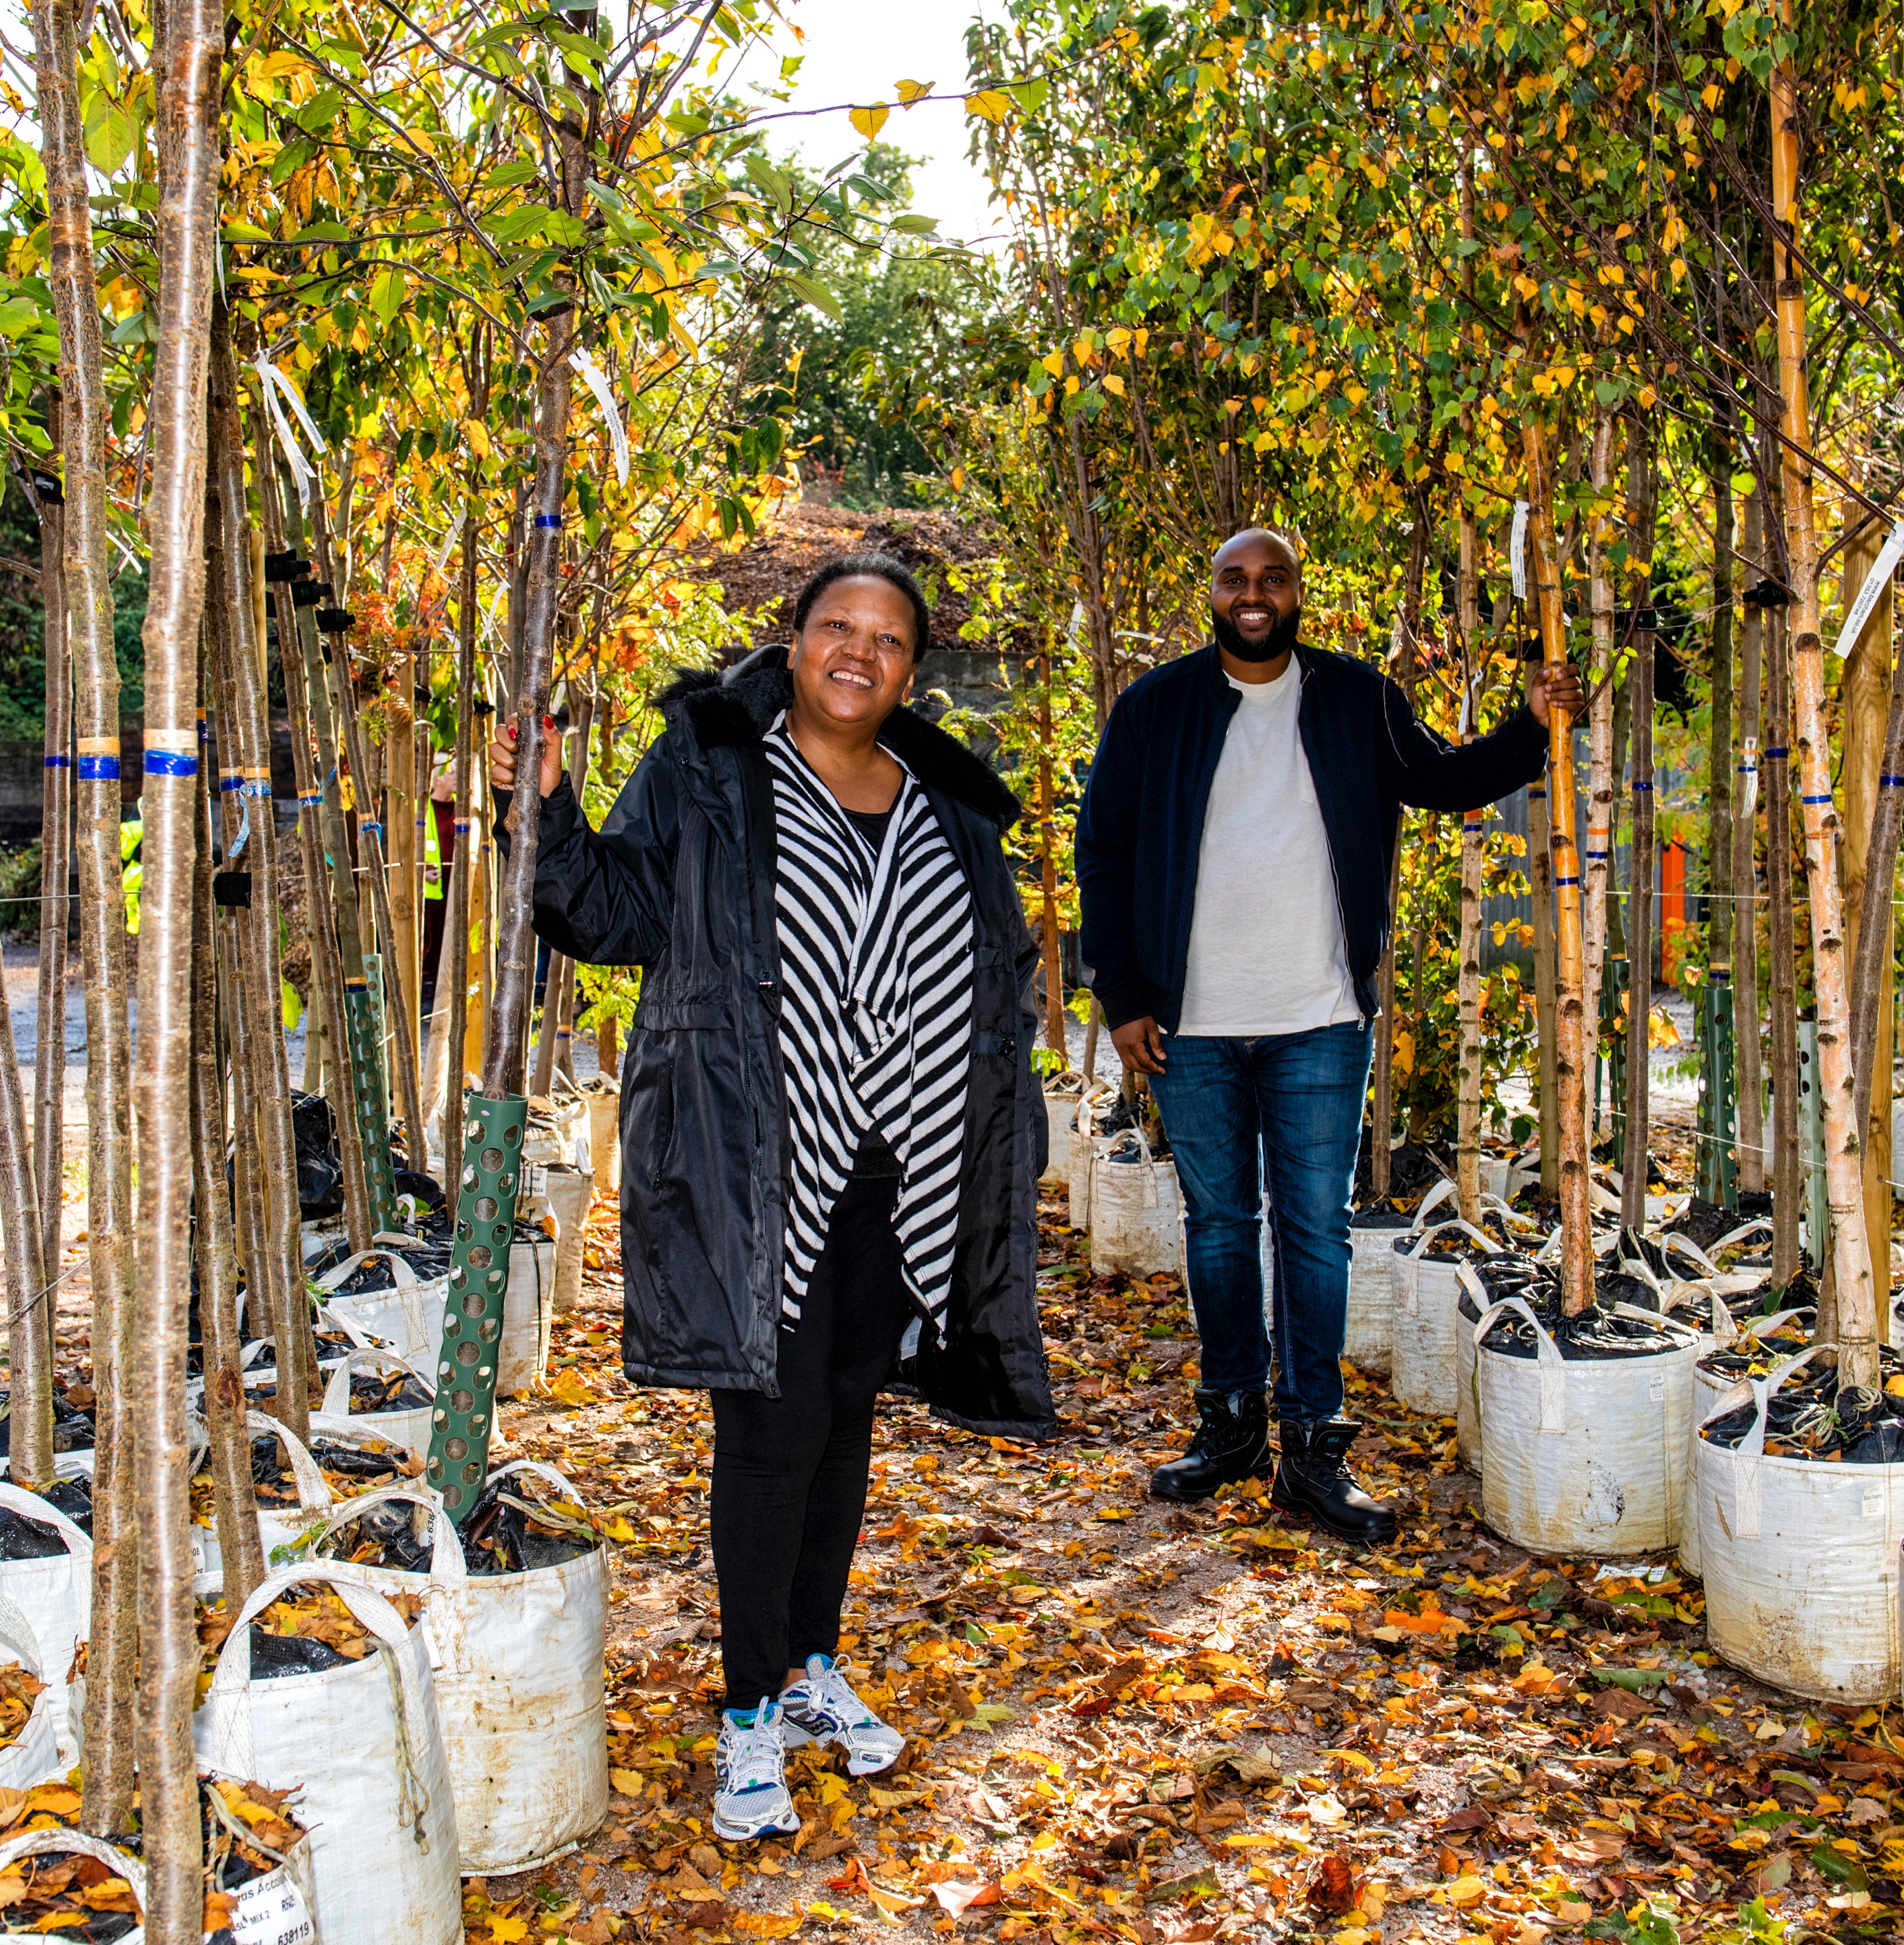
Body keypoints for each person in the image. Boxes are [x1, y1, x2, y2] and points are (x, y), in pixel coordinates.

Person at [490, 552, 1055, 1844]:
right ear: (792, 640)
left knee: (842, 1417)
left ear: (915, 668)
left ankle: (806, 1669)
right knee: (767, 1425)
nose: (859, 654)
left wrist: (1002, 1145)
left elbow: (997, 976)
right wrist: (552, 804)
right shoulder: (711, 759)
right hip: (758, 1156)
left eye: (889, 640)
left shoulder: (947, 801)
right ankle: (748, 1710)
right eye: (836, 628)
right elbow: (613, 911)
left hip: (899, 1163)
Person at [1073, 528, 1580, 1544]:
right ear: (1210, 592)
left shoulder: (1358, 698)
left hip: (1319, 1017)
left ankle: (1312, 1445)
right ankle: (1228, 1427)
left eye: (1271, 579)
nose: (1252, 595)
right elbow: (1104, 848)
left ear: (1298, 592)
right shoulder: (1155, 708)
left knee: (1313, 1233)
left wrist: (1529, 731)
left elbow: (1440, 781)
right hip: (1191, 1024)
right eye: (1234, 579)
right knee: (1218, 1229)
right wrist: (1121, 993)